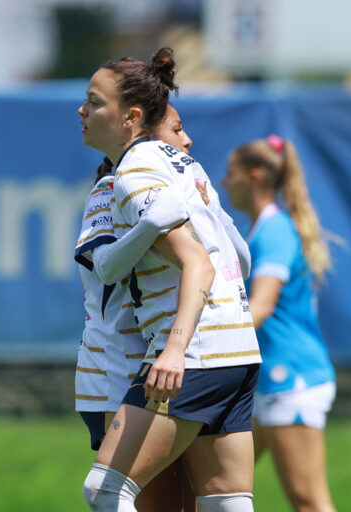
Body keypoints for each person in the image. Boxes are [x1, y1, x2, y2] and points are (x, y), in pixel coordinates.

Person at [78, 47, 261, 512]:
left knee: (105, 491)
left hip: (191, 356)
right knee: (227, 504)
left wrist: (175, 349)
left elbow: (197, 262)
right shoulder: (187, 168)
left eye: (94, 101)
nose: (82, 111)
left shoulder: (135, 169)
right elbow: (235, 257)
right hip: (237, 350)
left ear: (130, 116)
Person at [73, 105, 198, 512]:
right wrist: (152, 223)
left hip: (160, 367)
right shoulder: (111, 189)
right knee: (150, 502)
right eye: (177, 130)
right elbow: (105, 269)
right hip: (120, 371)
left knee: (185, 502)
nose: (187, 141)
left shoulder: (171, 192)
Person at [222, 135, 337, 512]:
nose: (224, 182)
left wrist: (206, 343)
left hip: (291, 380)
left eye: (231, 173)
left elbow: (262, 305)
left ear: (255, 176)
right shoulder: (261, 227)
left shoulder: (274, 230)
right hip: (265, 383)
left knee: (309, 502)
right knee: (211, 488)